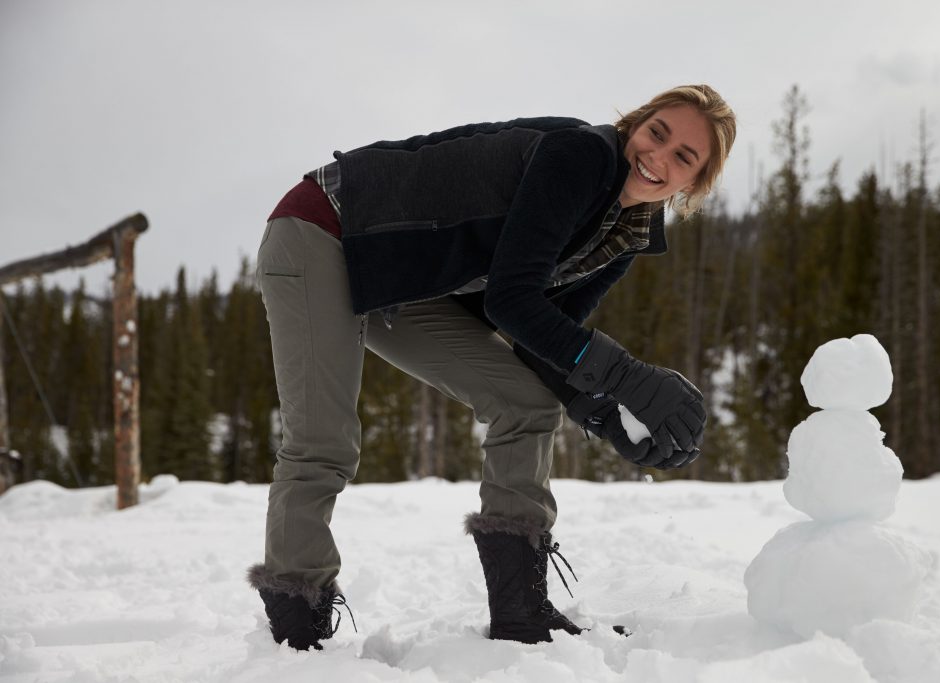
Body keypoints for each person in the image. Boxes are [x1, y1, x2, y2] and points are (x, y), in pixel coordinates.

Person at [247, 84, 737, 650]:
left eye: (684, 157)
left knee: (526, 402)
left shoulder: (626, 233)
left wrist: (602, 411)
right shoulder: (578, 155)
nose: (659, 156)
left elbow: (542, 334)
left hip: (409, 281)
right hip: (325, 229)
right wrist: (628, 377)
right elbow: (511, 300)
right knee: (322, 440)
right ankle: (296, 635)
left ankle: (521, 613)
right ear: (634, 125)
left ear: (693, 186)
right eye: (658, 133)